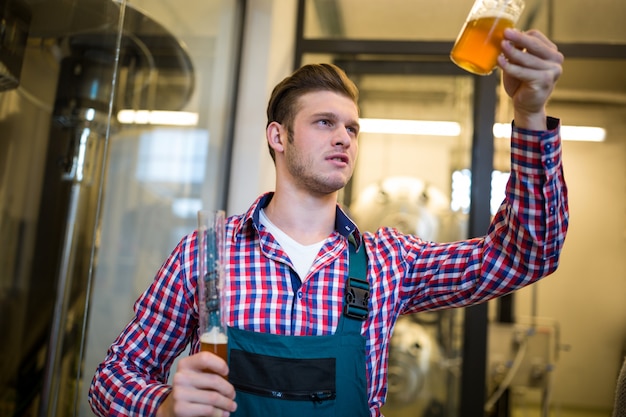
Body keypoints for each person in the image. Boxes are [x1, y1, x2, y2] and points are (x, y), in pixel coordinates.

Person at [89, 27, 568, 417]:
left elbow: (526, 254)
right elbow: (114, 377)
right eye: (324, 122)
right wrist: (165, 406)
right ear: (278, 136)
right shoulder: (207, 253)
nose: (344, 137)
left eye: (352, 128)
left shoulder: (389, 261)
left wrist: (529, 115)